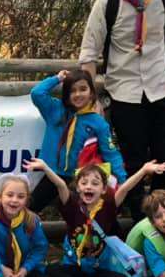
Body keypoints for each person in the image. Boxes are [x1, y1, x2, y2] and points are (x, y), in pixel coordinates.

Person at [78, 0, 165, 220]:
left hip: (160, 89)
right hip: (125, 93)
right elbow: (89, 53)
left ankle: (164, 220)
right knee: (133, 164)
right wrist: (91, 98)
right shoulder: (107, 2)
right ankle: (142, 224)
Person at [27, 157, 165, 277]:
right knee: (51, 270)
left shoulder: (108, 206)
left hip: (98, 267)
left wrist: (144, 170)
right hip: (74, 266)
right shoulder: (72, 206)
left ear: (103, 189)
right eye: (84, 183)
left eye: (95, 183)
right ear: (78, 188)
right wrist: (46, 168)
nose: (89, 187)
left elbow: (125, 188)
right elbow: (60, 184)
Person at [29, 69, 127, 212]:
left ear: (91, 92)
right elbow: (36, 93)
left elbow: (110, 153)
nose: (78, 94)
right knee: (30, 209)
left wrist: (122, 180)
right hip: (53, 173)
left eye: (83, 89)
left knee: (84, 216)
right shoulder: (55, 110)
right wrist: (57, 78)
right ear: (67, 94)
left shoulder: (98, 123)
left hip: (81, 178)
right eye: (72, 91)